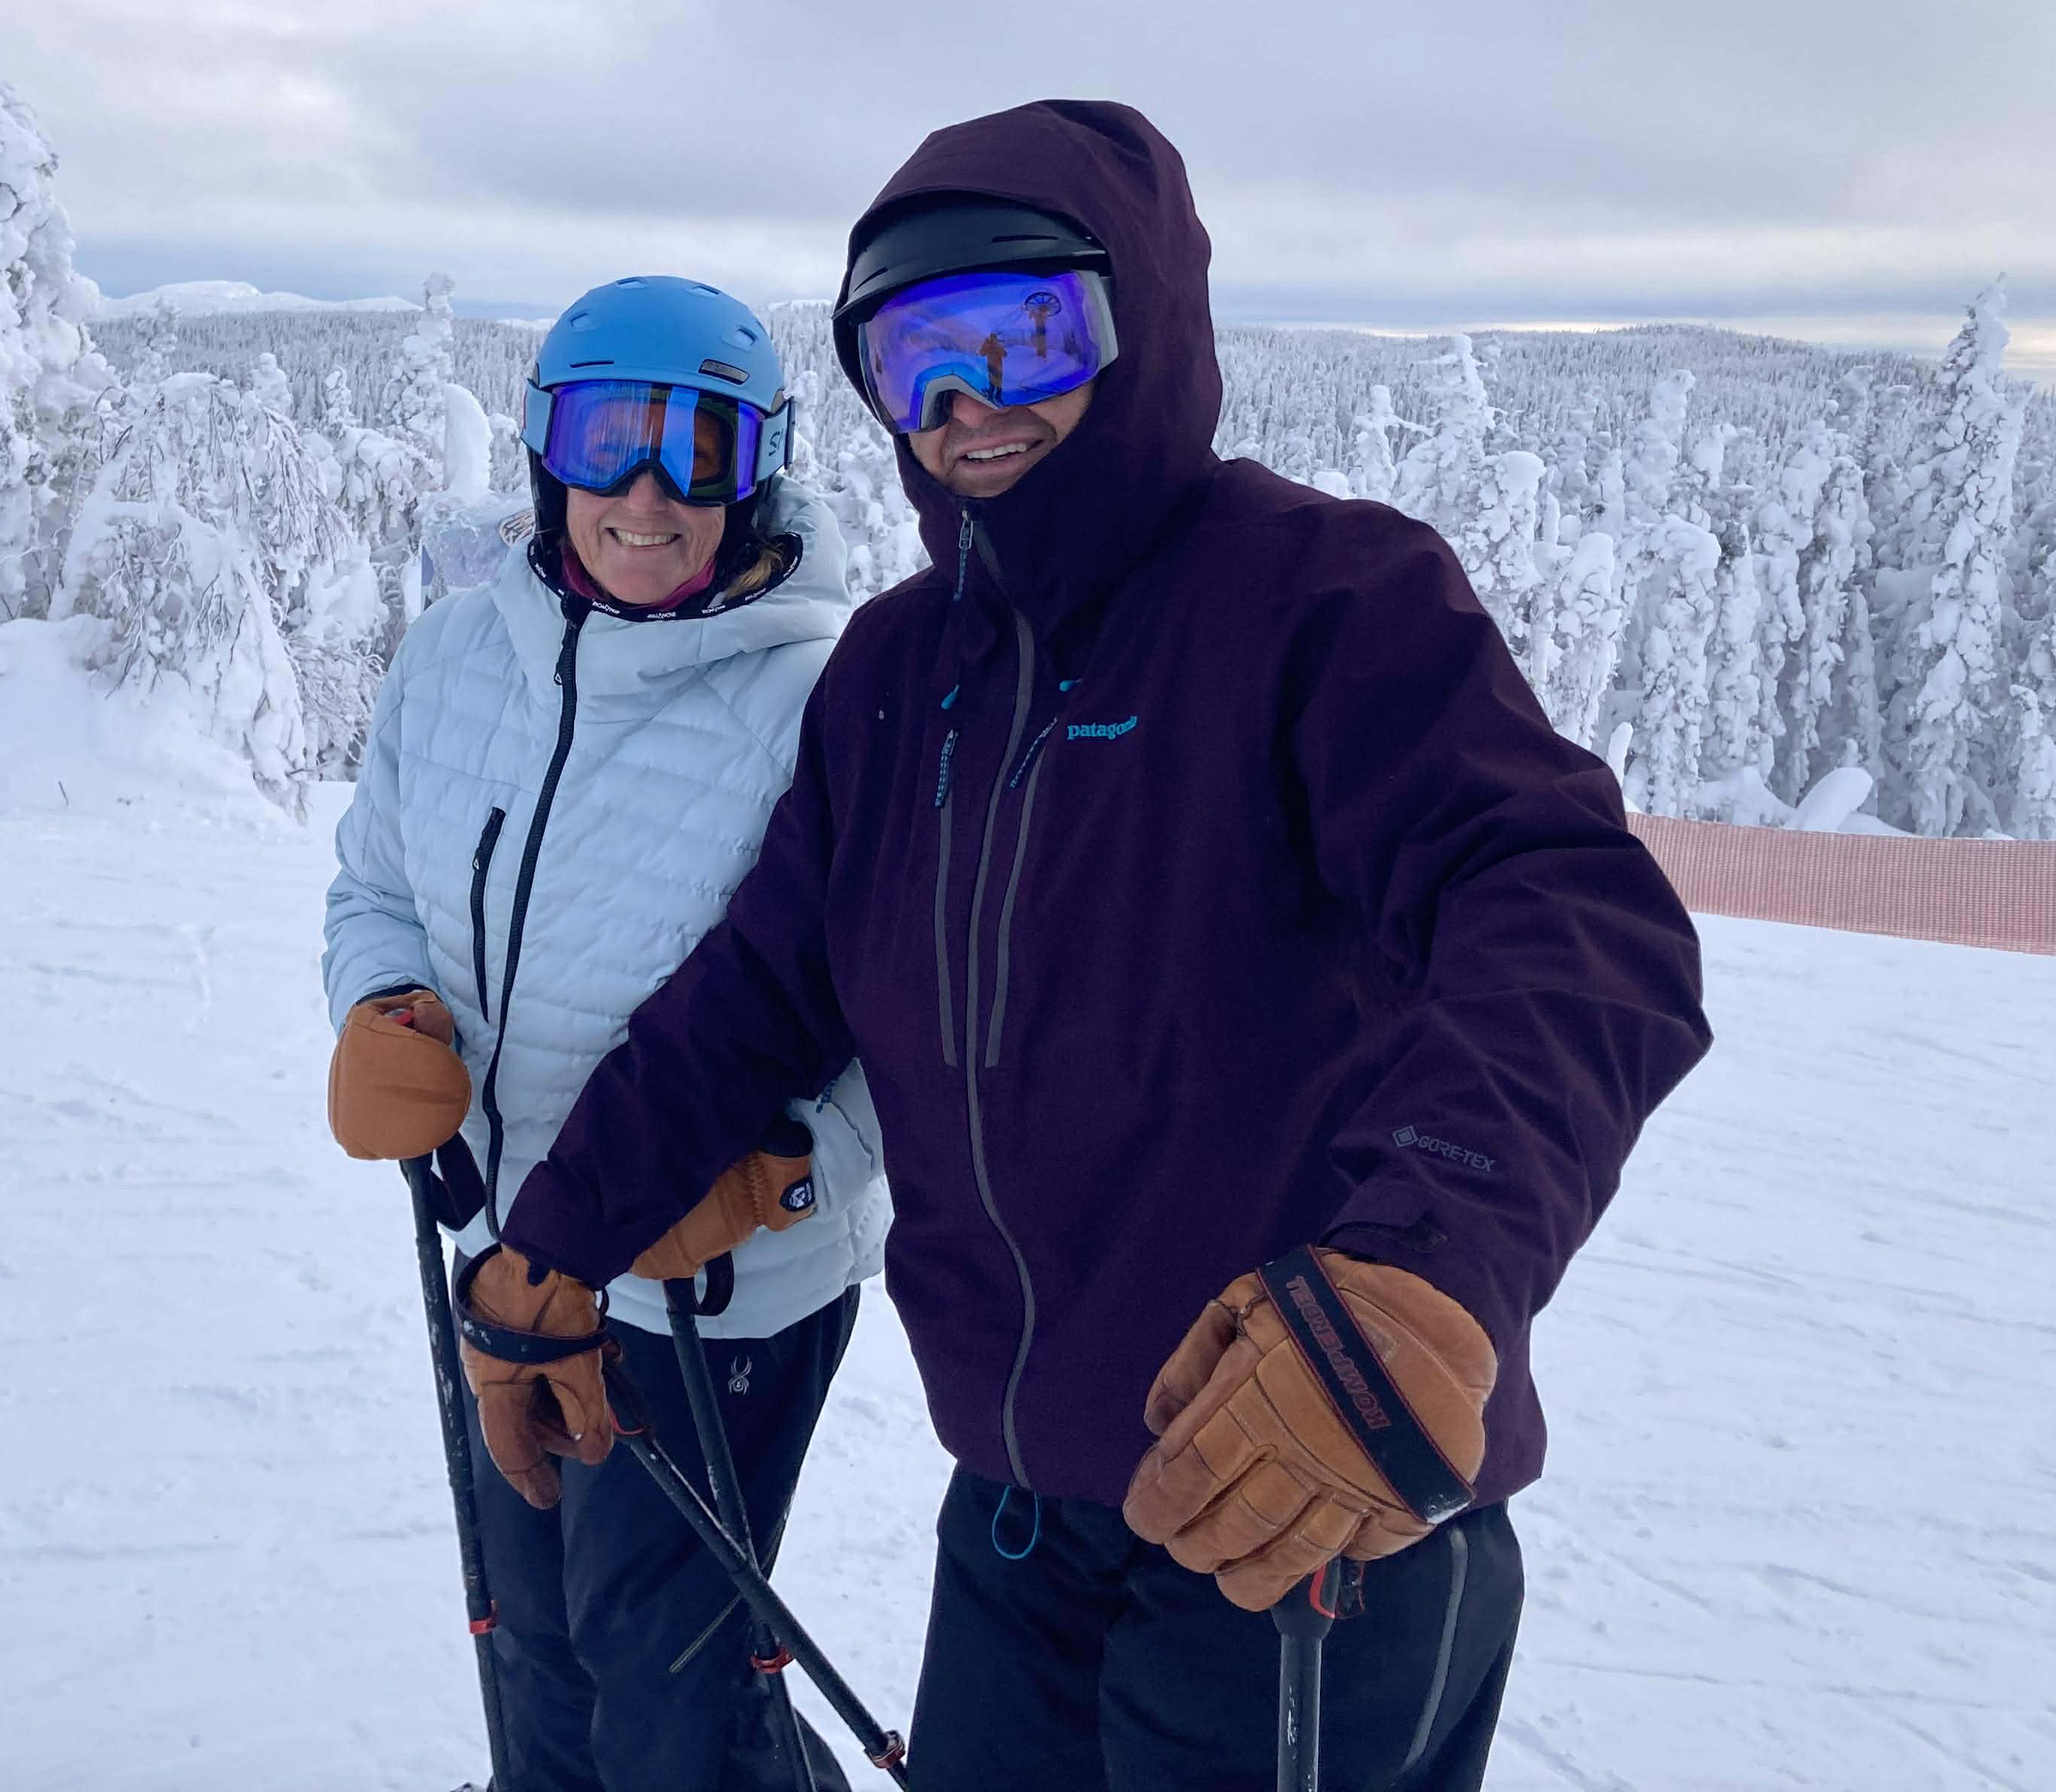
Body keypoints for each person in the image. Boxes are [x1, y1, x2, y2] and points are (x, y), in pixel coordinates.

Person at [467, 104, 1713, 1790]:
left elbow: (1569, 915)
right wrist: (556, 1240)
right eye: (918, 359)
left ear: (1144, 329)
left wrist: (1431, 1259)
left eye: (1025, 335)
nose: (971, 405)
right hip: (1021, 1518)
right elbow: (759, 996)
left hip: (1295, 1515)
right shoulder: (901, 676)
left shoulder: (1321, 603)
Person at [324, 275, 889, 1792]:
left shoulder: (828, 703)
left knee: (669, 1674)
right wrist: (378, 1004)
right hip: (507, 1254)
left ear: (757, 468)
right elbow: (372, 885)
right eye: (604, 437)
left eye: (696, 450)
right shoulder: (456, 661)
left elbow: (916, 1030)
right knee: (533, 1637)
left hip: (719, 1302)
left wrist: (783, 1174)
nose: (645, 491)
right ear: (543, 454)